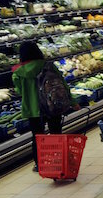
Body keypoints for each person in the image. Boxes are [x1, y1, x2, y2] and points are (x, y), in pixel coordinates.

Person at [12, 41, 64, 172]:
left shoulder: (17, 72)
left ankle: (39, 164)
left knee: (37, 136)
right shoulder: (48, 66)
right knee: (56, 133)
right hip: (51, 105)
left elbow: (19, 91)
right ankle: (59, 160)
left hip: (32, 107)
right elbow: (62, 84)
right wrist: (73, 102)